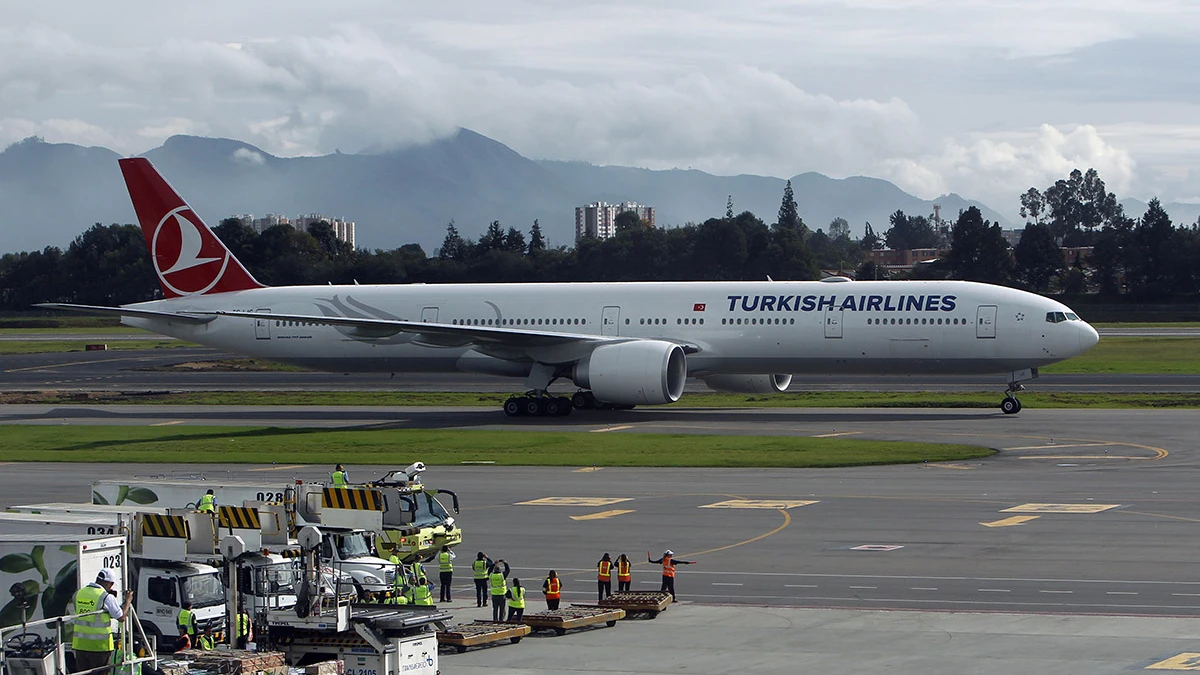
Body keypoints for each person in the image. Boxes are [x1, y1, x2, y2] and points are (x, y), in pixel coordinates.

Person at [72, 568, 133, 675]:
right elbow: (121, 617)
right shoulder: (106, 597)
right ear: (109, 583)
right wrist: (128, 601)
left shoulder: (78, 593)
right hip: (100, 646)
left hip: (80, 645)